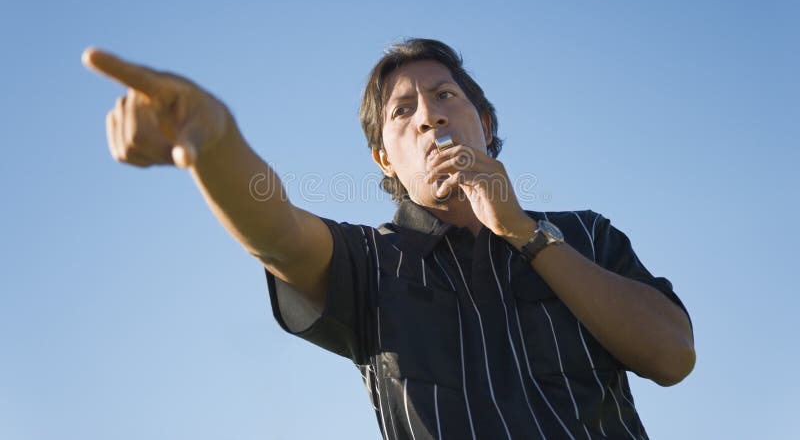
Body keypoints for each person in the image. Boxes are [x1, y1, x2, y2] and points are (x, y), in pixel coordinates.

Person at [84, 38, 695, 439]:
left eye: (445, 96)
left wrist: (525, 234)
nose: (429, 115)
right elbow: (277, 233)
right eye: (403, 111)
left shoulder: (585, 233)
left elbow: (672, 357)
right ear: (384, 159)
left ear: (484, 124)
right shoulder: (369, 263)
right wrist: (216, 145)